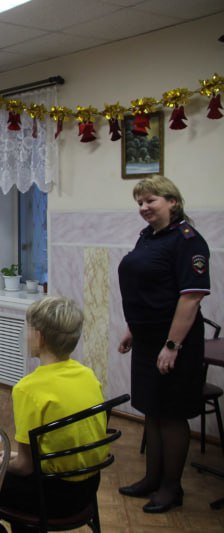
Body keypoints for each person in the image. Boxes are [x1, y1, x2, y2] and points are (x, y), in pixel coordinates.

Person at [117, 174, 210, 513]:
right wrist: (132, 328)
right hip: (146, 340)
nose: (144, 207)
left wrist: (172, 345)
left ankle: (172, 487)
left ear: (172, 201)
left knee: (171, 414)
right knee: (152, 410)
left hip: (174, 343)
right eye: (140, 202)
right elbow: (146, 289)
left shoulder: (188, 241)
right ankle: (152, 479)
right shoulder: (149, 236)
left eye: (150, 200)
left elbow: (191, 297)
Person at [0, 297, 107, 529]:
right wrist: (12, 456)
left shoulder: (28, 389)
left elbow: (25, 467)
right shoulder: (88, 376)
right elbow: (61, 441)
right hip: (89, 487)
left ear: (39, 337)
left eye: (28, 329)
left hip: (51, 497)